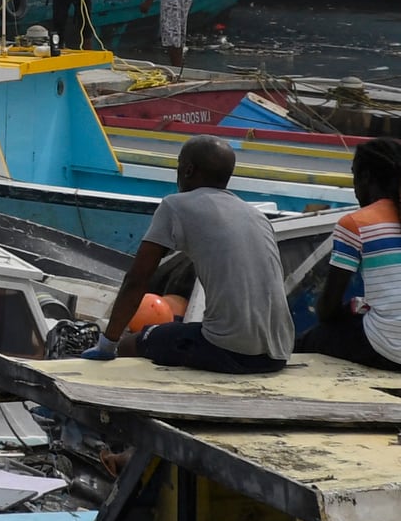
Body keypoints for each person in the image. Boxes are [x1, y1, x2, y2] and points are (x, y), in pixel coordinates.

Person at [96, 138, 291, 373]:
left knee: (131, 344)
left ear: (187, 169)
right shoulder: (257, 216)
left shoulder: (175, 205)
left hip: (231, 351)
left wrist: (107, 344)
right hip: (279, 353)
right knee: (179, 330)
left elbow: (137, 279)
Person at [303, 137, 401, 370]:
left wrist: (342, 313)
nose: (355, 188)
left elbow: (328, 307)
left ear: (365, 177)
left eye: (354, 177)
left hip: (390, 349)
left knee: (308, 341)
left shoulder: (356, 223)